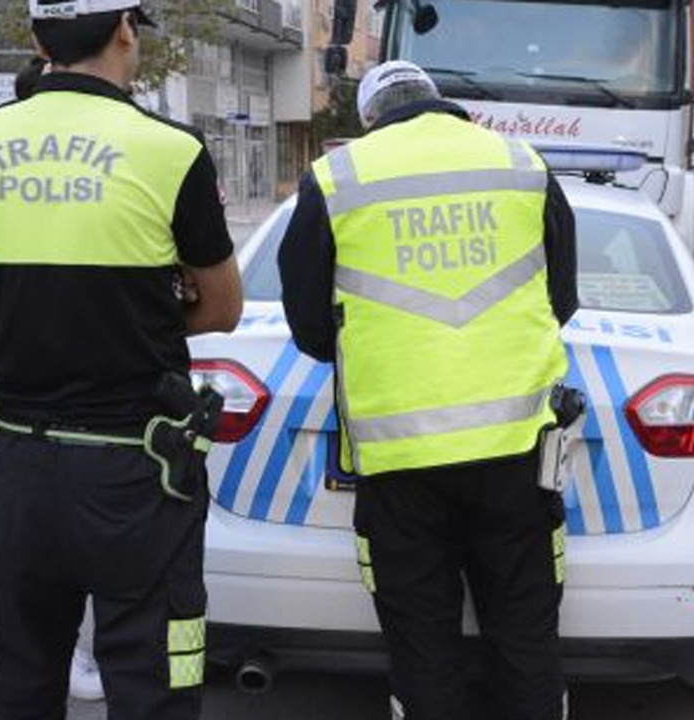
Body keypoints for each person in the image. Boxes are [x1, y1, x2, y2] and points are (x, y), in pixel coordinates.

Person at [0, 1, 242, 719]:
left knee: (19, 672)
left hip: (18, 464)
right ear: (124, 29)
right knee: (153, 680)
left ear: (36, 37)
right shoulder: (170, 149)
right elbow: (222, 307)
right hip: (134, 469)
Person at [278, 60, 579, 720]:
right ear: (441, 104)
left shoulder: (336, 178)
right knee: (526, 637)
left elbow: (306, 325)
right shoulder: (523, 164)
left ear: (371, 119)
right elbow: (562, 298)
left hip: (399, 464)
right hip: (517, 455)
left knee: (423, 649)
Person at [9, 49, 106, 706]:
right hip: (112, 429)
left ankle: (73, 651)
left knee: (31, 597)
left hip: (24, 432)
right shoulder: (129, 155)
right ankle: (82, 651)